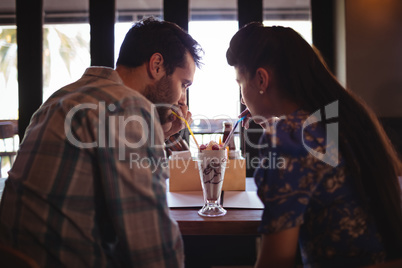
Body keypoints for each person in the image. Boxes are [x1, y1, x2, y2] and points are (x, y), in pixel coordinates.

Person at [0, 17, 202, 267]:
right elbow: (152, 248)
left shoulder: (61, 98)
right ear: (157, 65)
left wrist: (158, 133)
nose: (182, 99)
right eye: (184, 85)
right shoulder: (127, 105)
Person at [226, 22, 402, 267]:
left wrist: (275, 138)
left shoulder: (289, 139)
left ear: (261, 79)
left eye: (239, 84)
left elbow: (277, 260)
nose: (243, 96)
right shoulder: (347, 118)